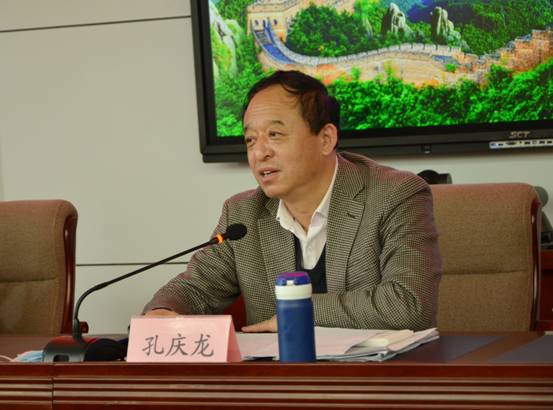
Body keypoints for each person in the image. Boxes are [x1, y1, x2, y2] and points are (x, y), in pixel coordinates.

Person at [144, 70, 442, 332]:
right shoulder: (242, 214)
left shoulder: (396, 195)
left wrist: (299, 313)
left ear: (325, 139)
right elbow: (196, 289)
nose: (259, 153)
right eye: (250, 139)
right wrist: (163, 312)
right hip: (279, 376)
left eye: (275, 134)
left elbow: (409, 304)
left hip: (375, 375)